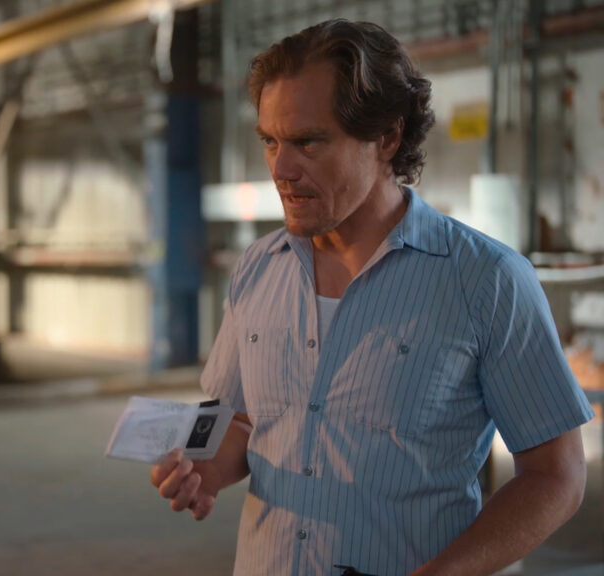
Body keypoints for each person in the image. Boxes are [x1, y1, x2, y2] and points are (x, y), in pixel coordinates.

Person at [150, 19, 594, 576]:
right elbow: (238, 418)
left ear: (387, 137)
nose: (281, 169)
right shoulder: (257, 269)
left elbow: (556, 476)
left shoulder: (487, 281)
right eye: (270, 141)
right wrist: (204, 468)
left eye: (308, 142)